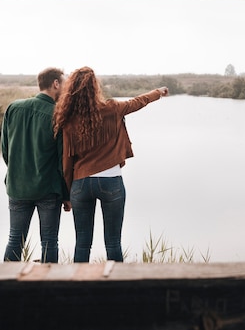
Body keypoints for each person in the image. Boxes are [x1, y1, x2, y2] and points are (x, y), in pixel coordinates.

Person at [52, 66, 168, 262]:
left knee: (82, 243)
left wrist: (69, 192)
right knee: (113, 242)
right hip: (111, 182)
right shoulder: (112, 109)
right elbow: (137, 102)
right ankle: (117, 289)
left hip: (80, 184)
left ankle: (79, 287)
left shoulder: (69, 119)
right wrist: (158, 92)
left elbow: (67, 161)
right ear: (95, 87)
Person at [1, 67, 72, 263]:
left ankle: (6, 285)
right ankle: (49, 287)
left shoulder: (13, 108)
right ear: (55, 84)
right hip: (48, 190)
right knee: (49, 241)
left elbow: (6, 150)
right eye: (64, 84)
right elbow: (62, 161)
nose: (66, 90)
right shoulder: (57, 115)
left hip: (17, 187)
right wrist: (67, 195)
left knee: (15, 239)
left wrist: (18, 171)